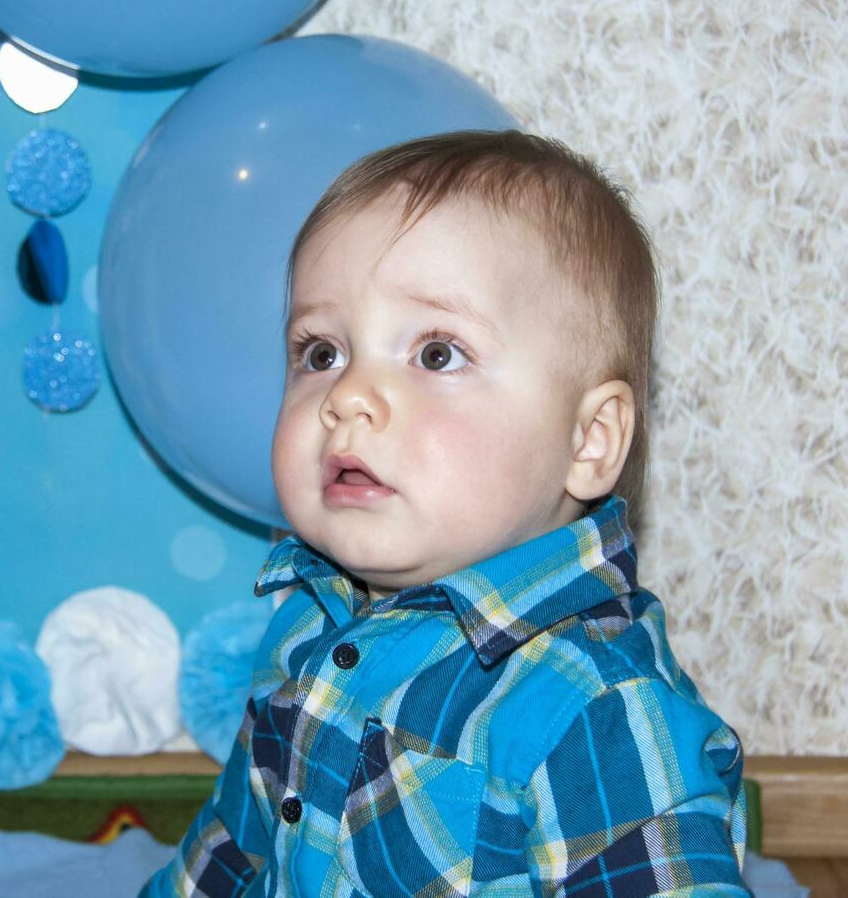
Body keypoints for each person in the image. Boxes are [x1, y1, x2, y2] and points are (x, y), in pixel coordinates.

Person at [141, 129, 748, 896]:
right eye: (320, 352)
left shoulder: (597, 711)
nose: (346, 396)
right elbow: (238, 841)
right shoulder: (307, 627)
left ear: (589, 441)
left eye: (436, 354)